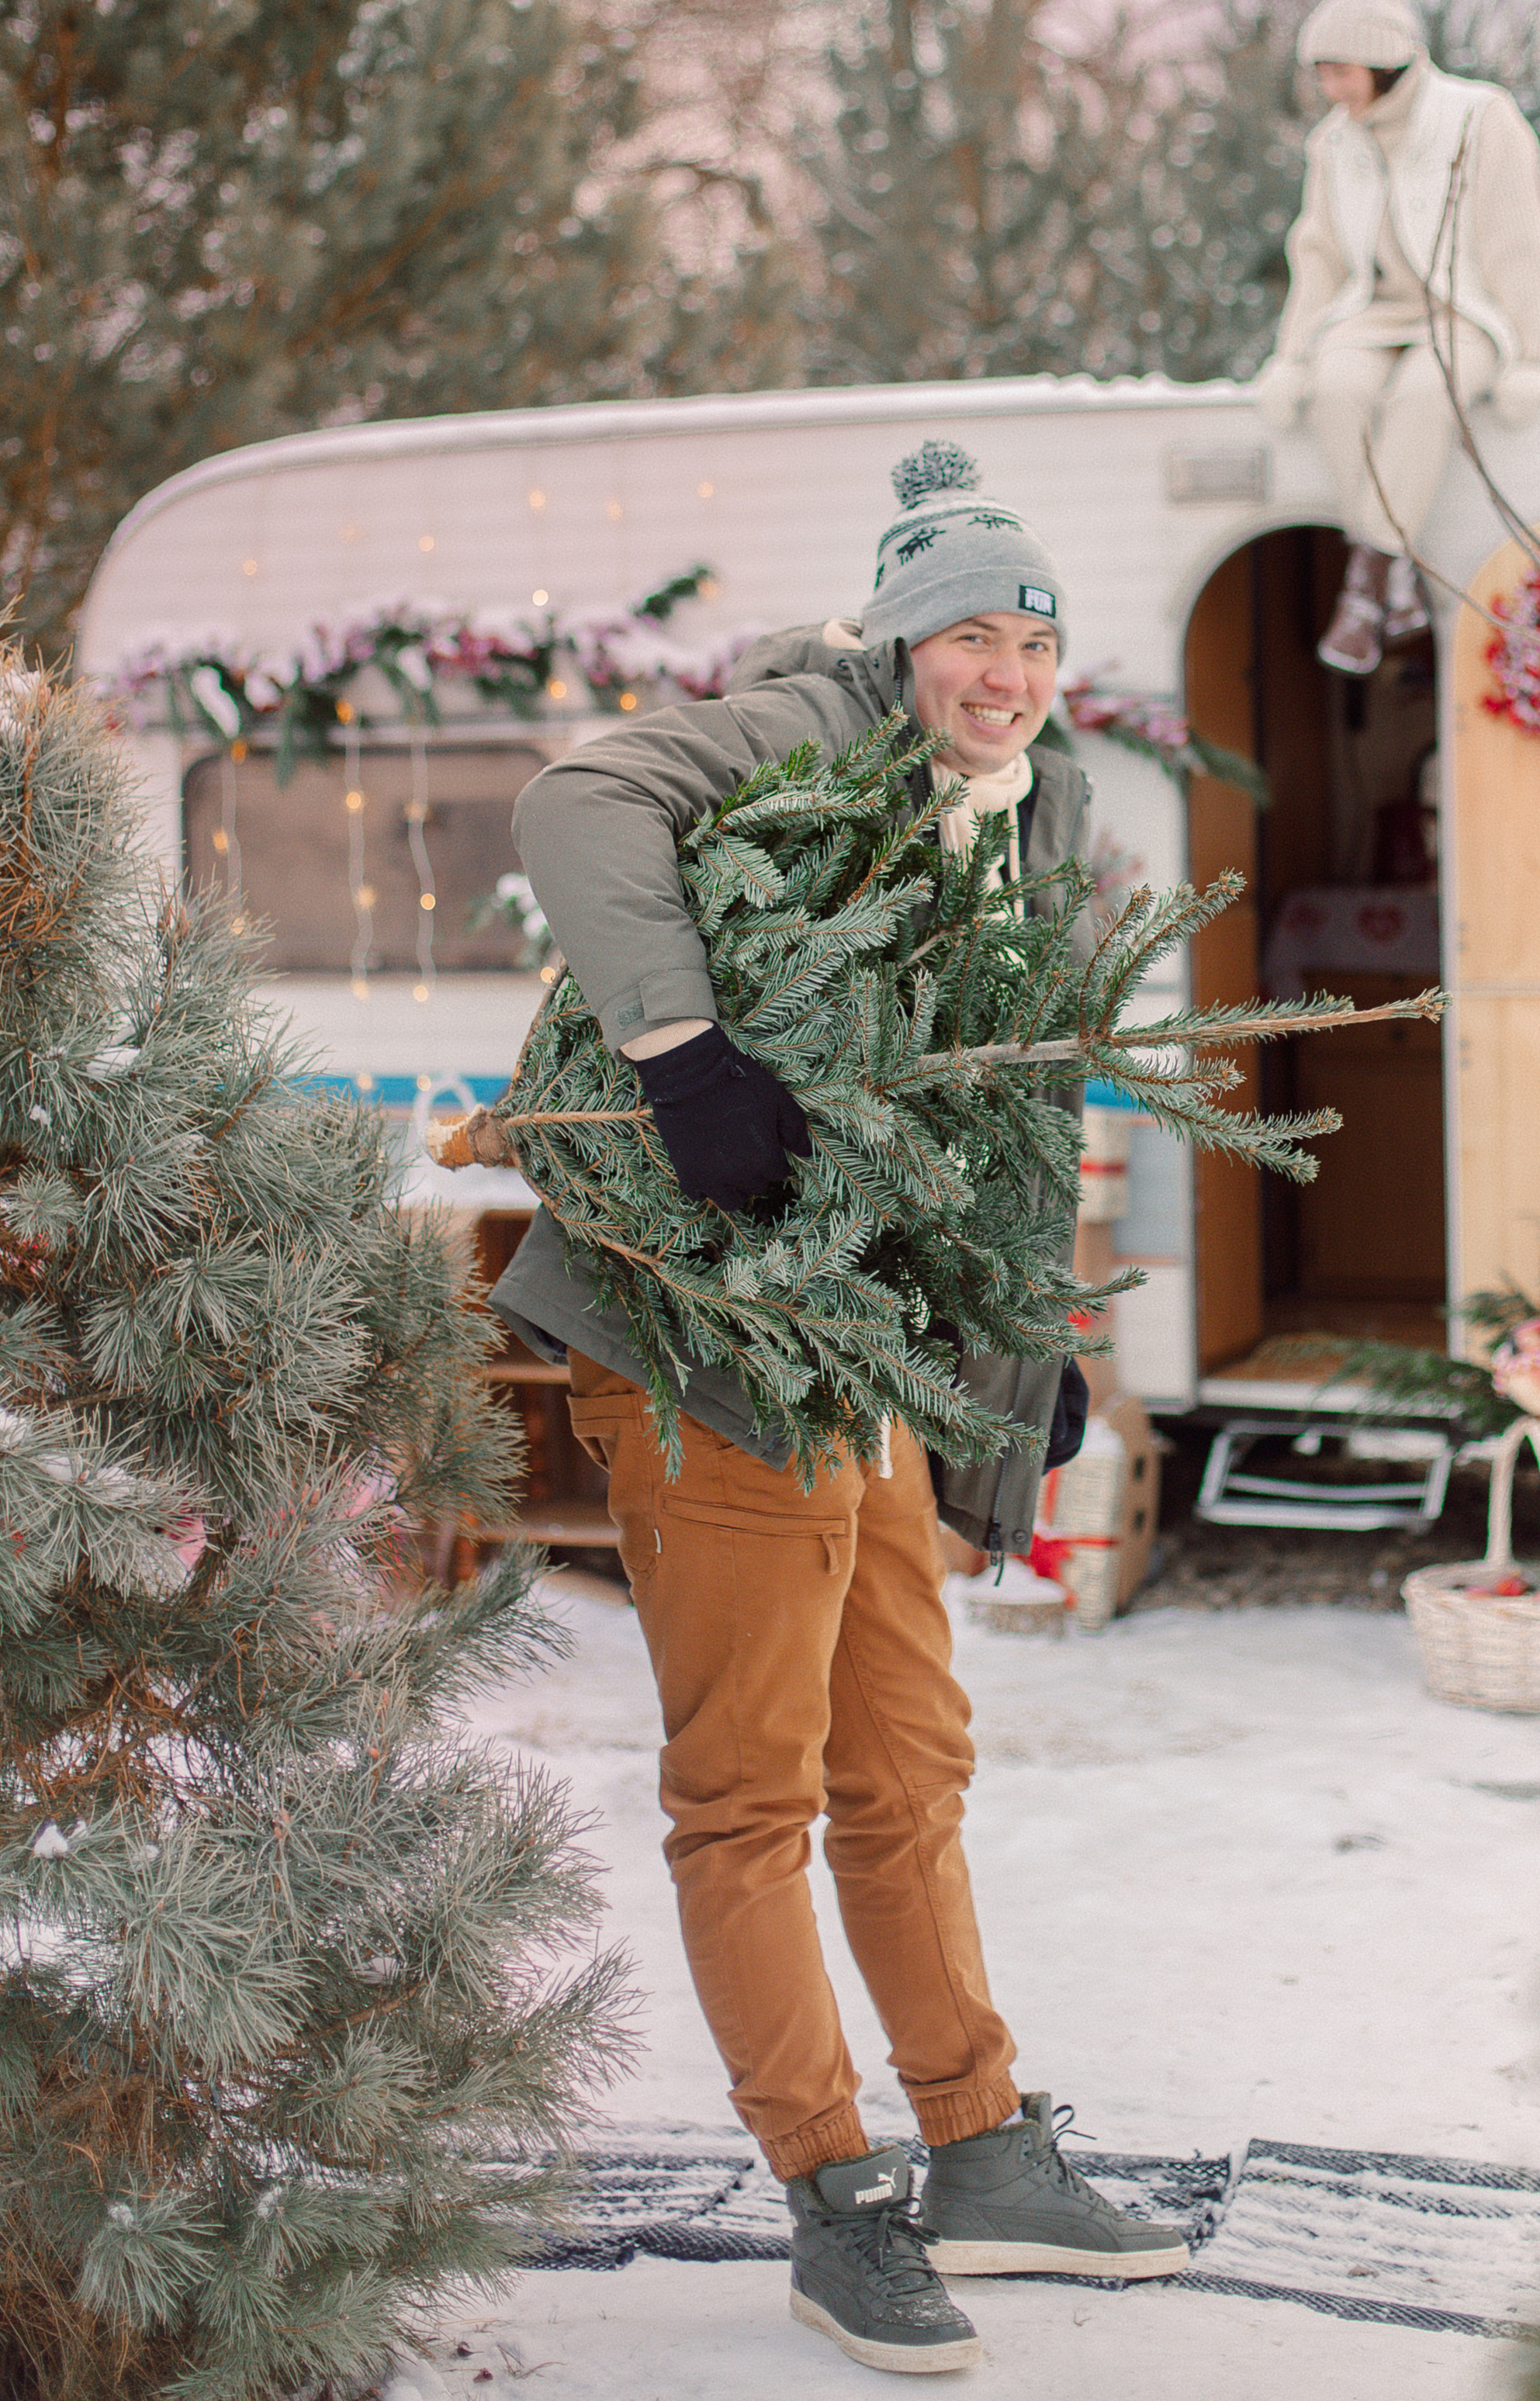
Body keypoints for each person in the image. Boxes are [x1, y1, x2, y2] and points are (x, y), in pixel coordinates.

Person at [490, 442, 1188, 2377]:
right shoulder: (814, 723)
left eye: (1031, 635)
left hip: (869, 1354)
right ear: (899, 642)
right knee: (752, 1790)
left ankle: (974, 2140)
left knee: (907, 1761)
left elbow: (1017, 1102)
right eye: (970, 631)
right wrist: (684, 1051)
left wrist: (1016, 1364)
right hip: (706, 1336)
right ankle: (831, 2193)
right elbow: (577, 794)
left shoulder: (1031, 808)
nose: (1005, 669)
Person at [1255, 0, 1540, 673]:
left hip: (1469, 312)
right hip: (1373, 314)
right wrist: (1291, 358)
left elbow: (1516, 241)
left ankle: (1367, 581)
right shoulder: (1334, 142)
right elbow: (1317, 257)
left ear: (1384, 63)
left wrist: (1537, 355)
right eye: (1322, 73)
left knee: (1423, 397)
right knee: (1338, 391)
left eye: (1340, 71)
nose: (1330, 90)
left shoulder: (1478, 117)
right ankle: (1395, 580)